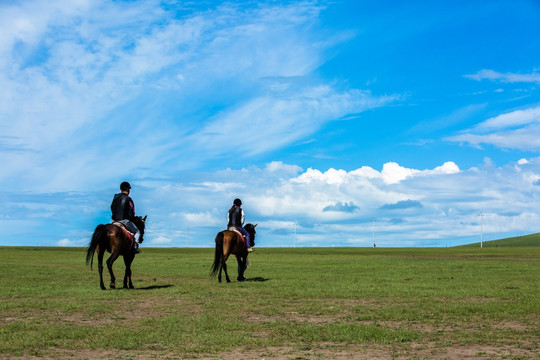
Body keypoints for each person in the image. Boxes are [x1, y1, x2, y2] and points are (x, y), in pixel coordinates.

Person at [111, 181, 141, 253]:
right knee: (138, 232)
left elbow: (112, 208)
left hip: (114, 221)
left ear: (121, 190)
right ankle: (134, 247)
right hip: (124, 221)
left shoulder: (115, 198)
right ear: (128, 189)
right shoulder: (128, 199)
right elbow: (132, 212)